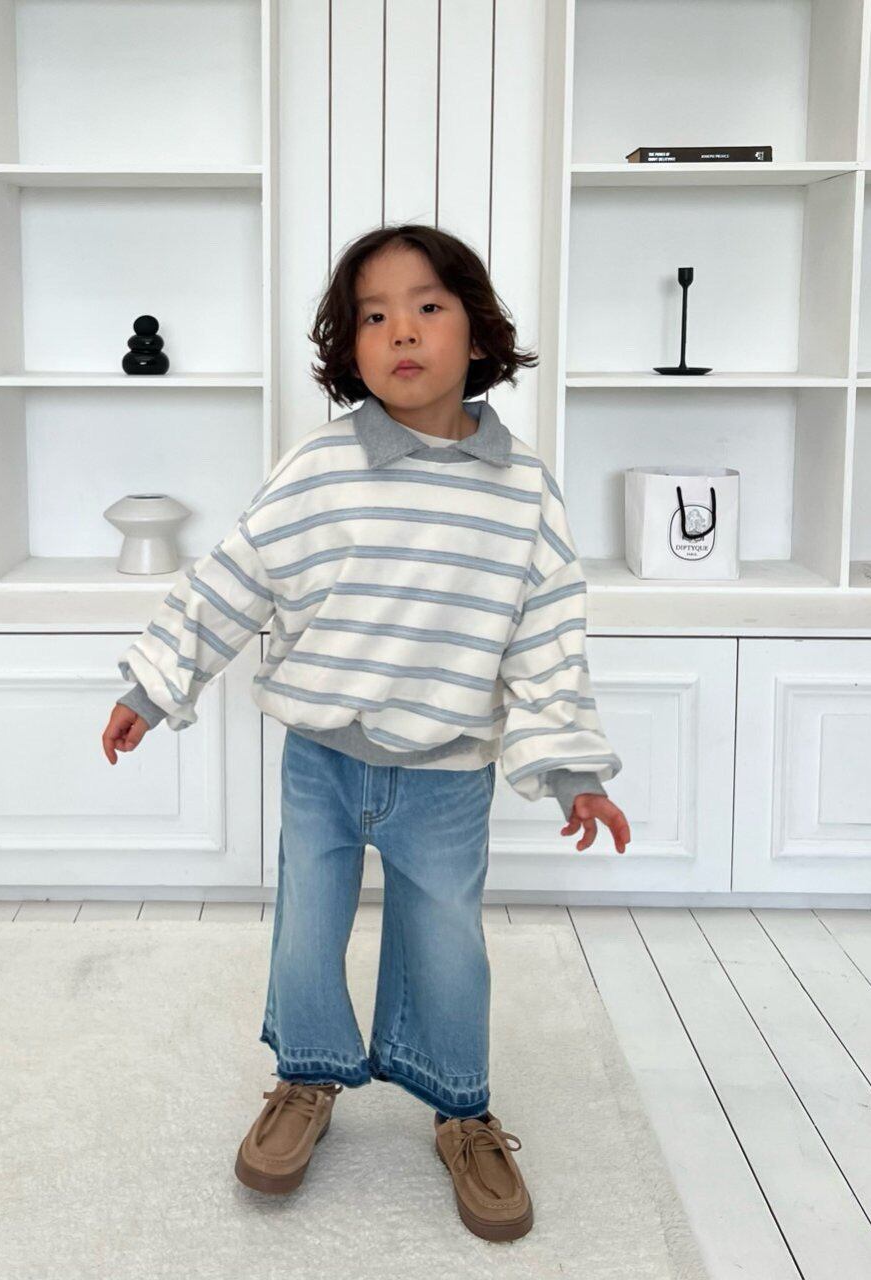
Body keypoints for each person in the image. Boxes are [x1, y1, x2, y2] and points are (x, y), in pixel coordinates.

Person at [100, 223, 631, 1242]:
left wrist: (573, 771)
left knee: (445, 942)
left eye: (427, 306)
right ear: (347, 347)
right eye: (373, 315)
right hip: (324, 761)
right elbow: (236, 575)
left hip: (448, 770)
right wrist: (156, 682)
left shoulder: (522, 491)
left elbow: (547, 640)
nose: (402, 331)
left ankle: (460, 1104)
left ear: (477, 330)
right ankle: (305, 1075)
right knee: (307, 926)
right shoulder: (319, 467)